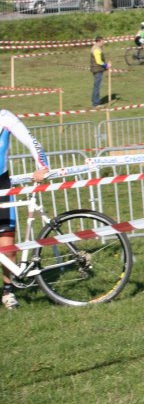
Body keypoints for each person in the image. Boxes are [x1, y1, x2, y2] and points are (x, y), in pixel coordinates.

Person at [1, 109, 49, 309]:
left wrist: (42, 166)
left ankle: (8, 290)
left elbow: (31, 141)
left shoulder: (4, 118)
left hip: (1, 186)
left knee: (7, 247)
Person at [90, 35, 109, 107]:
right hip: (97, 69)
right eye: (102, 41)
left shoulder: (96, 48)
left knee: (96, 86)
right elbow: (98, 61)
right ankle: (96, 103)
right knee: (97, 86)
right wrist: (106, 65)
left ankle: (95, 101)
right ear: (99, 41)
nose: (103, 42)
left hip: (96, 69)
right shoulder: (96, 49)